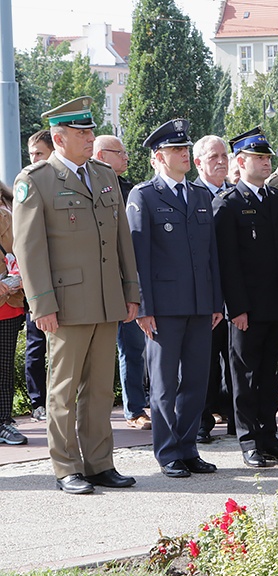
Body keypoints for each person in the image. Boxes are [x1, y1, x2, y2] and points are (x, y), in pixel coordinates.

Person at [13, 96, 140, 494]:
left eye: (90, 131)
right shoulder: (35, 180)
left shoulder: (103, 175)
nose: (89, 138)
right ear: (59, 137)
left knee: (101, 389)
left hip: (105, 301)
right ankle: (66, 466)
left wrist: (130, 291)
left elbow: (122, 241)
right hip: (65, 306)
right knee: (63, 390)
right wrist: (42, 305)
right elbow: (30, 250)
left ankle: (99, 462)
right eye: (81, 133)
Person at [126, 120, 223, 478]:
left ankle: (187, 447)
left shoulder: (199, 196)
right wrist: (144, 308)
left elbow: (211, 254)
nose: (184, 154)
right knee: (165, 384)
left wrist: (216, 301)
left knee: (196, 381)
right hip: (163, 308)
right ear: (158, 158)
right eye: (176, 150)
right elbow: (139, 257)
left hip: (199, 305)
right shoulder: (144, 196)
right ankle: (167, 452)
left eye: (186, 149)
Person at [214, 127, 278, 468]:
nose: (266, 163)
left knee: (270, 376)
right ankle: (248, 439)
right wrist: (236, 308)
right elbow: (228, 264)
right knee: (245, 376)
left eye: (267, 158)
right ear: (241, 161)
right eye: (259, 158)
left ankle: (269, 437)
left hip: (277, 305)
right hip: (246, 309)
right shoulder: (229, 204)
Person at [94, 135, 150, 430]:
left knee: (132, 347)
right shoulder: (86, 187)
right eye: (120, 153)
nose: (126, 158)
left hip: (126, 283)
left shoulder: (131, 191)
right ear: (102, 155)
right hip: (96, 286)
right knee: (96, 355)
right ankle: (95, 414)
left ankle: (135, 409)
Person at [192, 135, 235, 443]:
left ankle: (236, 416)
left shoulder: (234, 195)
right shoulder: (192, 196)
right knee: (204, 362)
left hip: (235, 295)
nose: (221, 161)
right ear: (198, 163)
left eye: (224, 156)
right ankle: (202, 420)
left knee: (235, 359)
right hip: (204, 296)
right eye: (213, 157)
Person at [23, 130, 53, 423]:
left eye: (38, 154)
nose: (33, 160)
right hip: (39, 286)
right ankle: (38, 402)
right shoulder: (29, 184)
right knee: (36, 346)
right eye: (31, 154)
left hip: (65, 283)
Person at [0, 182, 26, 445]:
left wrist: (13, 281)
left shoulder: (8, 216)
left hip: (7, 304)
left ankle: (3, 422)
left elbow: (21, 255)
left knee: (3, 369)